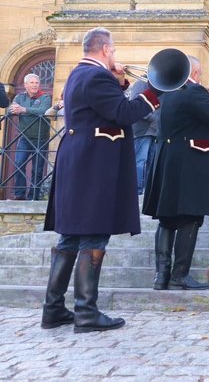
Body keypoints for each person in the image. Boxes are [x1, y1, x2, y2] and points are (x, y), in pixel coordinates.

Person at [41, 27, 163, 333]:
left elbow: (104, 108)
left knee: (70, 236)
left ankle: (53, 309)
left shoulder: (79, 75)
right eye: (115, 50)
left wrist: (120, 80)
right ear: (106, 50)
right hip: (93, 167)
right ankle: (86, 312)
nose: (116, 56)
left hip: (80, 163)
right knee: (94, 235)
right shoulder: (95, 77)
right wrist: (154, 90)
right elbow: (123, 112)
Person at [143, 56, 209, 290]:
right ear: (195, 72)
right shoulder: (193, 91)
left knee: (167, 219)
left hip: (168, 161)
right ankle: (180, 275)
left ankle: (161, 276)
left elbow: (198, 112)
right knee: (191, 217)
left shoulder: (167, 92)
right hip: (191, 163)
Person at [8, 73, 51, 200]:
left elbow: (44, 110)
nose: (34, 85)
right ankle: (19, 195)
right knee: (19, 164)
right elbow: (11, 110)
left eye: (36, 83)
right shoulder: (19, 97)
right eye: (31, 83)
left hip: (41, 138)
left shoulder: (45, 97)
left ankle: (34, 196)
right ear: (26, 85)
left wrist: (24, 110)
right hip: (25, 138)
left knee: (37, 169)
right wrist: (14, 109)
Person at [128, 79, 160, 195]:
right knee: (140, 161)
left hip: (154, 130)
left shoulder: (158, 84)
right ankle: (137, 190)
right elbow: (136, 104)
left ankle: (147, 191)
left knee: (151, 163)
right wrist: (155, 118)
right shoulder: (141, 83)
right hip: (143, 130)